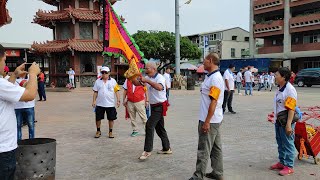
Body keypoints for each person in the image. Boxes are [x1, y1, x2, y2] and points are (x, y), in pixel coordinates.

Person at [0, 44, 40, 180]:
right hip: (3, 148)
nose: (4, 64)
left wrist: (15, 74)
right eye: (4, 60)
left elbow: (7, 89)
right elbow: (30, 94)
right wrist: (33, 74)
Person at [189, 52, 224, 180]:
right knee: (216, 148)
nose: (203, 63)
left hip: (210, 119)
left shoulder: (215, 79)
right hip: (214, 119)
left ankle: (198, 175)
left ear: (210, 60)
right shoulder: (211, 77)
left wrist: (207, 121)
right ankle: (218, 172)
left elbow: (213, 101)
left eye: (204, 60)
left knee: (203, 149)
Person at [132, 62, 172, 160]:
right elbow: (136, 83)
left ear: (154, 69)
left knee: (149, 125)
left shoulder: (160, 78)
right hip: (153, 106)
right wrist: (133, 75)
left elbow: (159, 87)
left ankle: (147, 150)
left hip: (159, 106)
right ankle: (166, 148)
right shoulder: (148, 77)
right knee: (160, 128)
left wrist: (147, 81)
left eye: (147, 68)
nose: (146, 70)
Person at [270, 67, 297, 176]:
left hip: (286, 122)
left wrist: (289, 125)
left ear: (284, 77)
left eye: (277, 75)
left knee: (288, 143)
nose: (275, 77)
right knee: (280, 143)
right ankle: (282, 162)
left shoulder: (290, 90)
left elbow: (291, 108)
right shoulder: (280, 88)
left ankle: (289, 166)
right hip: (279, 121)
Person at [92, 66, 120, 138]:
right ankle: (98, 131)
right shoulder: (98, 81)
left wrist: (118, 100)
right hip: (100, 104)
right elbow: (95, 92)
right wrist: (94, 101)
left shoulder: (113, 81)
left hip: (110, 104)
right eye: (102, 72)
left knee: (111, 118)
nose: (104, 74)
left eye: (106, 73)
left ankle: (110, 132)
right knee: (98, 118)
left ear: (109, 73)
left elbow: (116, 91)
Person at [15, 74, 36, 140]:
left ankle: (31, 142)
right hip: (17, 106)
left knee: (31, 125)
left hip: (29, 106)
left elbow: (35, 89)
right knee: (18, 126)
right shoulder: (13, 78)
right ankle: (19, 143)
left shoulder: (31, 77)